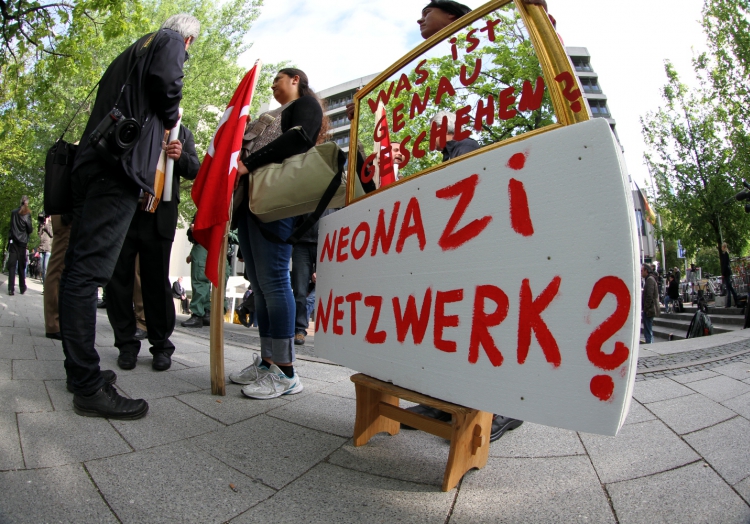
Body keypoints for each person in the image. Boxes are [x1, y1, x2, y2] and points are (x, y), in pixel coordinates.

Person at [59, 13, 199, 419]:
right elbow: (168, 84)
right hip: (117, 170)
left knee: (77, 271)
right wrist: (171, 116)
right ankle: (86, 384)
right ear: (188, 40)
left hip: (91, 166)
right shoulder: (170, 41)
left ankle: (78, 370)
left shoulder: (131, 51)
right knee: (88, 275)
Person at [228, 68, 325, 399]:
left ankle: (286, 371)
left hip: (276, 201)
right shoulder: (267, 117)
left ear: (296, 79)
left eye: (278, 79)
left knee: (273, 280)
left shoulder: (305, 106)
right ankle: (269, 362)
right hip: (253, 204)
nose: (272, 85)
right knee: (260, 283)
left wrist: (250, 162)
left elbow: (301, 138)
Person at [106, 123, 200, 371]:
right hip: (124, 212)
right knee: (118, 281)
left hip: (159, 214)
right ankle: (126, 344)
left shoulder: (181, 132)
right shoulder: (133, 122)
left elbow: (194, 169)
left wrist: (180, 157)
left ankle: (161, 345)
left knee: (156, 282)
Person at [291, 209, 336, 346]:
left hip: (327, 240)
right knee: (299, 289)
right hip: (302, 242)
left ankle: (331, 330)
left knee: (330, 290)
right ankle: (299, 329)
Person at [43, 214, 72, 339]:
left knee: (59, 265)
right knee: (58, 266)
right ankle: (53, 323)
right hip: (66, 213)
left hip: (64, 211)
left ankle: (55, 322)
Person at [181, 217, 211, 328]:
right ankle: (205, 313)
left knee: (199, 280)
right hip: (201, 245)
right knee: (203, 280)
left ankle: (198, 314)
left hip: (203, 244)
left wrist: (198, 229)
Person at [7, 195, 33, 296]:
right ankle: (22, 287)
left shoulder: (13, 213)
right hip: (22, 243)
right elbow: (30, 229)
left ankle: (10, 289)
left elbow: (11, 227)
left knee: (12, 265)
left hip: (13, 242)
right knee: (21, 266)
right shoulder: (27, 214)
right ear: (27, 203)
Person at [641, 263, 660, 343]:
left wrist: (645, 308)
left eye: (642, 271)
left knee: (648, 330)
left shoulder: (650, 280)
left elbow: (649, 295)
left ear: (646, 271)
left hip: (650, 310)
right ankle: (650, 343)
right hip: (649, 309)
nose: (641, 272)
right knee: (648, 329)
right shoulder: (649, 279)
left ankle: (650, 344)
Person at [720, 242, 740, 308]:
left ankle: (729, 303)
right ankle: (736, 299)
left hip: (726, 273)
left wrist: (723, 273)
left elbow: (725, 265)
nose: (721, 248)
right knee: (730, 288)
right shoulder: (725, 254)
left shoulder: (725, 254)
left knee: (728, 288)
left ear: (724, 247)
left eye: (722, 247)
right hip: (727, 273)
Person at [38, 214, 53, 283]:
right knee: (41, 268)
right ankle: (44, 284)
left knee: (45, 268)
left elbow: (52, 234)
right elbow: (39, 234)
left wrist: (47, 224)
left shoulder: (51, 225)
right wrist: (41, 225)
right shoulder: (42, 224)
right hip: (41, 248)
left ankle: (45, 286)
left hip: (48, 249)